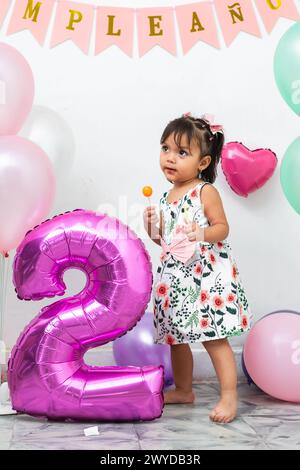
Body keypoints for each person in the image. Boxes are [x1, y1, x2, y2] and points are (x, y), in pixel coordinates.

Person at [143, 112, 252, 424]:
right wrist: (151, 225)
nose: (170, 158)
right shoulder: (165, 196)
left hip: (205, 279)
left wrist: (203, 233)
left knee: (213, 337)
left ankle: (229, 396)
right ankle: (183, 389)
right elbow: (163, 240)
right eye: (165, 149)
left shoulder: (205, 191)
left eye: (182, 153)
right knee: (176, 337)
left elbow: (222, 228)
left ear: (203, 163)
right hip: (176, 278)